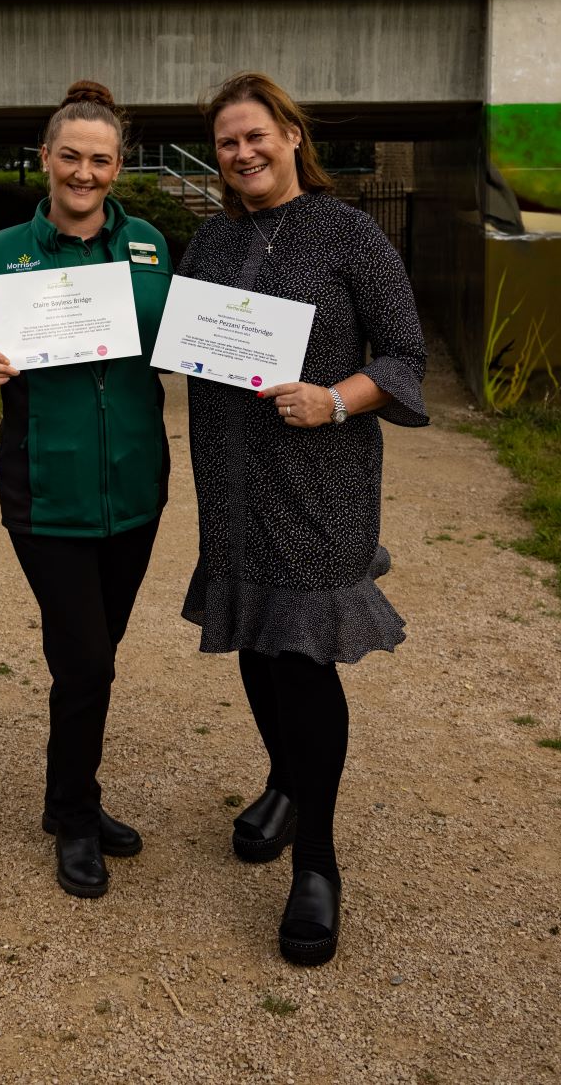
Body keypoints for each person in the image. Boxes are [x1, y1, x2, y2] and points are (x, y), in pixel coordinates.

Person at [178, 72, 427, 967]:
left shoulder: (347, 232)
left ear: (289, 135)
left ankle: (316, 863)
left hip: (320, 474)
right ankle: (283, 783)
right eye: (226, 144)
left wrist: (333, 398)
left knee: (302, 654)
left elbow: (404, 354)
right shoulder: (208, 238)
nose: (242, 154)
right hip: (233, 476)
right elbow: (184, 339)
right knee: (253, 635)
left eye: (255, 136)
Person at [0, 81, 172, 899]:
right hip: (48, 495)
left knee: (97, 658)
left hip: (137, 492)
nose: (84, 172)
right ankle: (76, 817)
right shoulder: (4, 251)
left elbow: (184, 341)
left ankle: (64, 797)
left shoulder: (148, 245)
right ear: (45, 159)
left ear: (118, 167)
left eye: (100, 160)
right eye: (69, 156)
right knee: (83, 664)